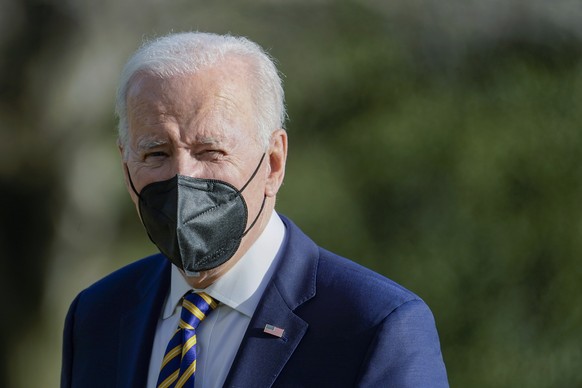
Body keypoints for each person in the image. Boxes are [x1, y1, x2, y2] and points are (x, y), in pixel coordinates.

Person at [61, 32, 448, 388]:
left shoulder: (377, 327)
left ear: (274, 162)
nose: (182, 176)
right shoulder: (97, 317)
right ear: (125, 163)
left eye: (210, 151)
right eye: (156, 153)